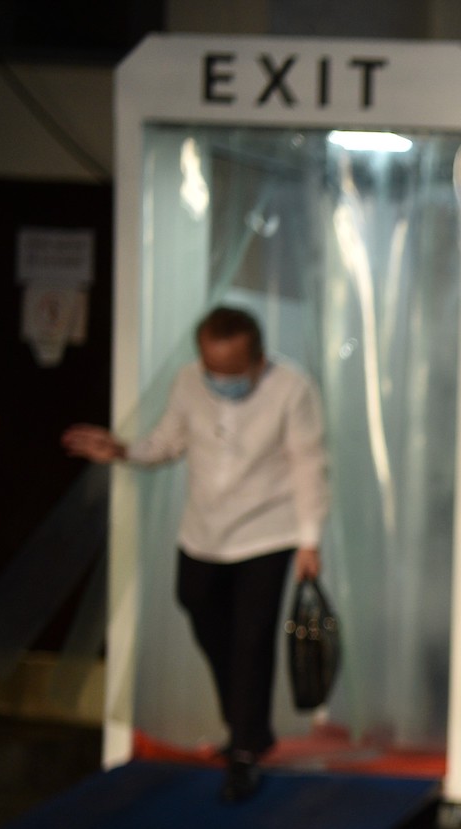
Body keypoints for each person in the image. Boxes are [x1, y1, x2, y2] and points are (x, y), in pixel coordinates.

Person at [61, 306, 327, 803]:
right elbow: (167, 443)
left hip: (268, 533)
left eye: (230, 372)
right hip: (203, 533)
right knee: (200, 611)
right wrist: (122, 450)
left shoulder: (291, 388)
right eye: (212, 370)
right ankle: (248, 727)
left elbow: (308, 462)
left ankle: (244, 752)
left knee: (251, 638)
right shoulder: (188, 383)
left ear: (257, 358)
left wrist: (309, 539)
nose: (219, 381)